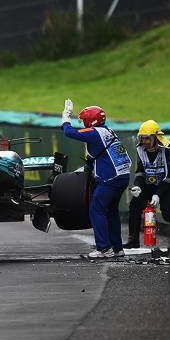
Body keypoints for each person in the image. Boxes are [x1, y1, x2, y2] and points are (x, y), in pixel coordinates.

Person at [61, 101, 132, 258]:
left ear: (90, 121)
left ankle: (102, 248)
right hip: (123, 176)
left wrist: (66, 117)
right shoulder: (109, 131)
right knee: (111, 210)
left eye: (84, 120)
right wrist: (86, 168)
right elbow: (98, 154)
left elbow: (69, 132)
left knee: (96, 209)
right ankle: (117, 248)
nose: (83, 123)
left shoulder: (94, 133)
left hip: (110, 178)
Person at [125, 120, 170, 249]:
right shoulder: (140, 149)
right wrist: (137, 185)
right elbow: (140, 171)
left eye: (147, 139)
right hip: (149, 184)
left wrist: (158, 195)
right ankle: (133, 240)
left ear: (156, 138)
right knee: (135, 205)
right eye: (142, 139)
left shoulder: (168, 149)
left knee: (168, 213)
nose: (145, 142)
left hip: (168, 184)